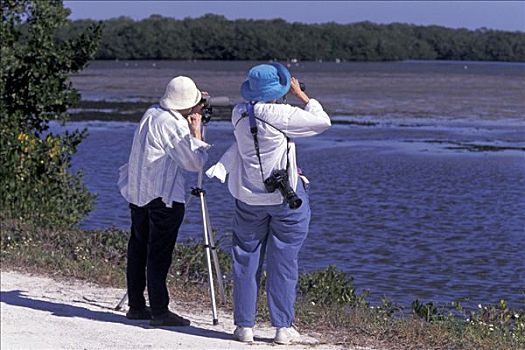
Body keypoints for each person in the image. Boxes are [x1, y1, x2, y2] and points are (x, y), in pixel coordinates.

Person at [206, 63, 331, 344]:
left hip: (248, 198)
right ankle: (282, 327)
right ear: (279, 91)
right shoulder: (280, 113)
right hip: (284, 199)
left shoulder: (239, 113)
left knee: (245, 260)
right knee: (283, 261)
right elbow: (323, 122)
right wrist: (302, 96)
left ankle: (244, 326)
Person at [118, 76, 210, 327]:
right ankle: (160, 311)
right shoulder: (173, 125)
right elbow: (194, 163)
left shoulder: (152, 113)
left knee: (138, 249)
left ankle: (136, 305)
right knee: (159, 255)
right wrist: (197, 132)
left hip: (138, 193)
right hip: (163, 198)